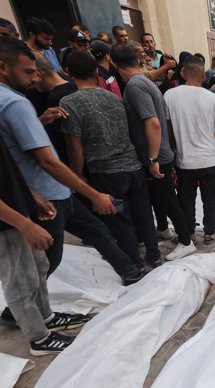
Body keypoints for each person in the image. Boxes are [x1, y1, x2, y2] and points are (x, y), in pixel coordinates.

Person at [22, 52, 143, 287]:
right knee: (53, 254)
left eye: (34, 72)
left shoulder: (48, 101)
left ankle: (130, 270)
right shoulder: (103, 98)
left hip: (59, 187)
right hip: (47, 191)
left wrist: (81, 185)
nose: (33, 78)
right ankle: (23, 304)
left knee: (97, 230)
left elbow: (62, 154)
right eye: (28, 72)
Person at [60, 51, 161, 268]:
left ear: (68, 72)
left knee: (119, 220)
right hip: (133, 166)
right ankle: (153, 254)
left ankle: (135, 262)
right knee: (143, 213)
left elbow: (75, 148)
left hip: (105, 171)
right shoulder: (115, 98)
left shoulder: (69, 103)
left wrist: (76, 176)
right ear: (96, 71)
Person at [0, 136, 91, 355]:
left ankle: (46, 317)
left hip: (18, 212)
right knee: (20, 281)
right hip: (5, 225)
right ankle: (38, 338)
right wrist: (24, 224)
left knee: (39, 267)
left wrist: (31, 199)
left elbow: (6, 171)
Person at [109, 44, 195, 261]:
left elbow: (153, 123)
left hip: (157, 156)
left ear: (112, 62)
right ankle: (165, 229)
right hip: (157, 153)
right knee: (161, 199)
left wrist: (153, 158)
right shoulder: (142, 81)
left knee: (167, 200)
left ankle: (186, 241)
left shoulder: (135, 86)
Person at [164, 55, 215, 245]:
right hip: (210, 160)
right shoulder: (213, 98)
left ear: (183, 72)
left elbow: (169, 129)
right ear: (203, 74)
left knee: (186, 198)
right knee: (211, 198)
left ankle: (190, 233)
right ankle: (209, 234)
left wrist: (174, 149)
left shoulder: (170, 95)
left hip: (185, 161)